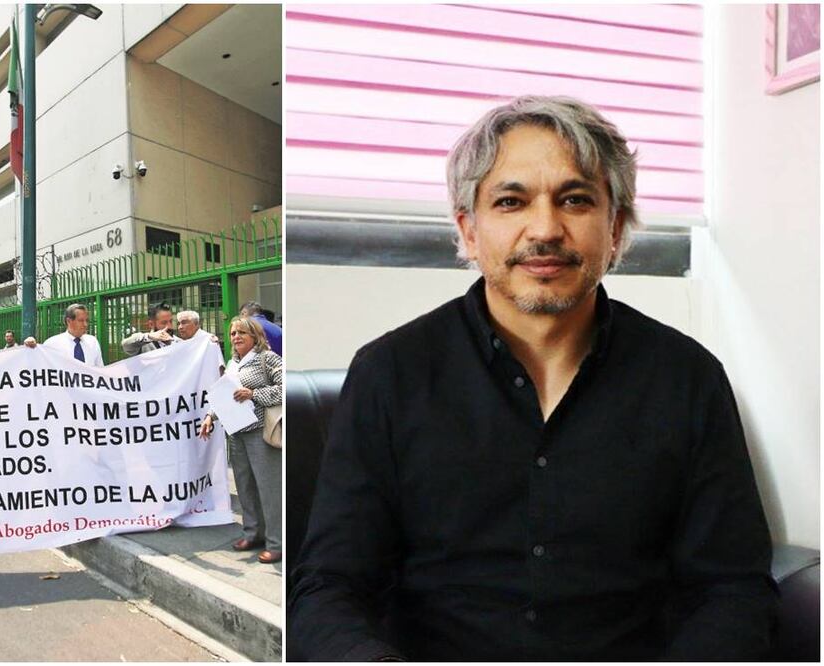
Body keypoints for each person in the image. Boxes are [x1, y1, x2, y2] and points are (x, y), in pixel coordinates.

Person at [288, 96, 776, 661]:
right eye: (511, 201)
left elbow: (732, 589)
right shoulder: (388, 375)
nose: (544, 229)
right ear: (469, 230)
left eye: (575, 199)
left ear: (614, 227)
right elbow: (330, 587)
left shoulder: (688, 379)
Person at [198, 317, 283, 564]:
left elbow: (284, 386)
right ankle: (253, 533)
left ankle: (277, 542)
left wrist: (254, 394)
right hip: (236, 433)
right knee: (245, 486)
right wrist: (209, 416)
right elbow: (224, 395)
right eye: (233, 333)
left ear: (255, 336)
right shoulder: (232, 363)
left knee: (269, 488)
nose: (236, 337)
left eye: (241, 333)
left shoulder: (267, 359)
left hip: (259, 432)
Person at [24, 303, 104, 367]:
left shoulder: (93, 342)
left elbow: (100, 370)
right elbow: (39, 367)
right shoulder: (52, 343)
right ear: (69, 321)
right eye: (81, 321)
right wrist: (31, 350)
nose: (85, 324)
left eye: (87, 320)